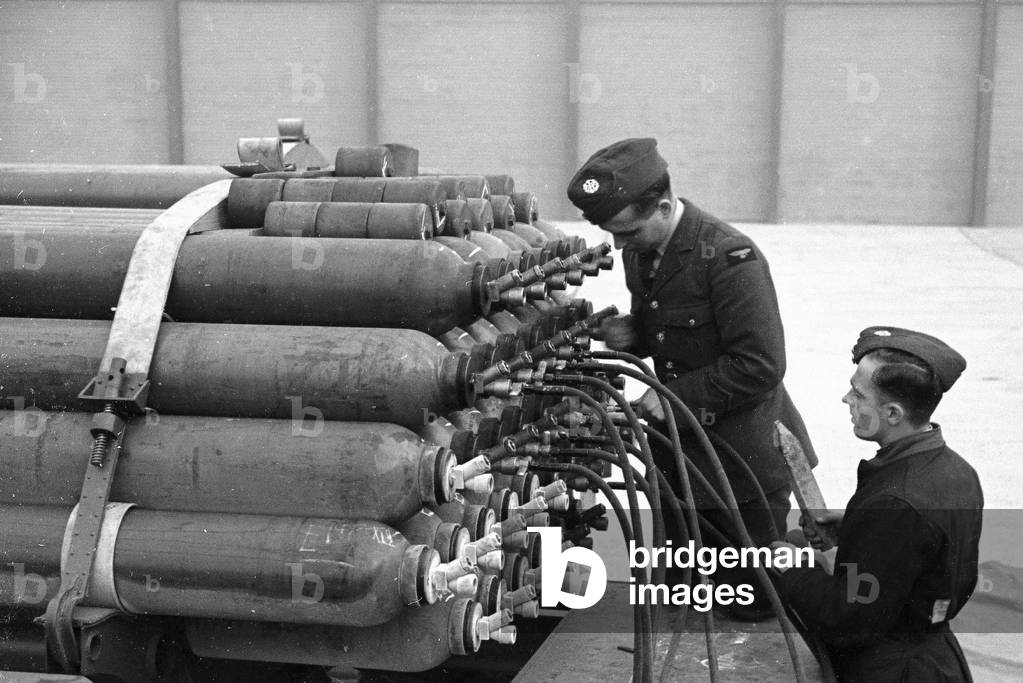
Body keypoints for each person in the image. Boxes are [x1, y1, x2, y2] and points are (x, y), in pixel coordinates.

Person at [566, 137, 817, 615]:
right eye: (611, 233)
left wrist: (673, 397)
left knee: (750, 603)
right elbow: (671, 334)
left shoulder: (728, 257)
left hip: (740, 460)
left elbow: (762, 363)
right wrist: (630, 334)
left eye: (628, 231)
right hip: (680, 459)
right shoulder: (640, 253)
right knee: (677, 593)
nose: (619, 244)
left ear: (663, 206)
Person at [772, 326, 983, 681]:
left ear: (894, 414)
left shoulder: (895, 502)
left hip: (893, 670)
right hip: (936, 657)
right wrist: (855, 529)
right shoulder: (957, 470)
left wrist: (793, 569)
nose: (846, 400)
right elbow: (918, 559)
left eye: (859, 395)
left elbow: (850, 618)